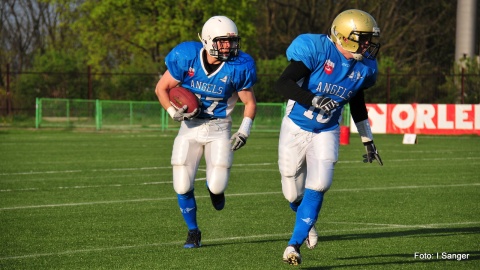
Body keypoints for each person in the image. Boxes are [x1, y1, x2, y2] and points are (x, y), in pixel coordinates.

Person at [274, 9, 383, 265]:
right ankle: (306, 220)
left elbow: (357, 103)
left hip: (327, 131)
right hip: (295, 126)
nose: (368, 45)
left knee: (320, 185)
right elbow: (282, 83)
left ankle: (293, 245)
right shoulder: (316, 49)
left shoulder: (364, 67)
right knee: (291, 191)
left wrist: (367, 139)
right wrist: (312, 99)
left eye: (370, 39)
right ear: (344, 37)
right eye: (363, 38)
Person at [154, 15, 257, 249]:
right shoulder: (187, 57)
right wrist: (172, 112)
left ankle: (215, 191)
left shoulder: (239, 66)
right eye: (223, 42)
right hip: (190, 127)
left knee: (217, 185)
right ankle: (193, 231)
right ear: (208, 40)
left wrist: (243, 131)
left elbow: (250, 103)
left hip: (219, 127)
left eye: (232, 42)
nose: (229, 47)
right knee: (181, 184)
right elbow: (162, 88)